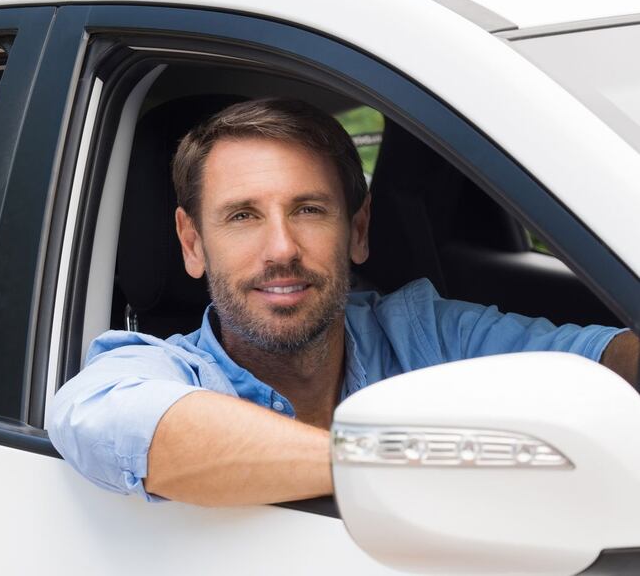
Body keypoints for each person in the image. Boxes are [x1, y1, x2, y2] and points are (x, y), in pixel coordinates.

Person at [48, 98, 639, 506]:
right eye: (243, 216)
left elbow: (601, 360)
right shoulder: (155, 370)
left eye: (309, 210)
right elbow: (106, 418)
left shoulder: (421, 333)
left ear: (357, 230)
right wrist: (423, 459)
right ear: (192, 243)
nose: (281, 249)